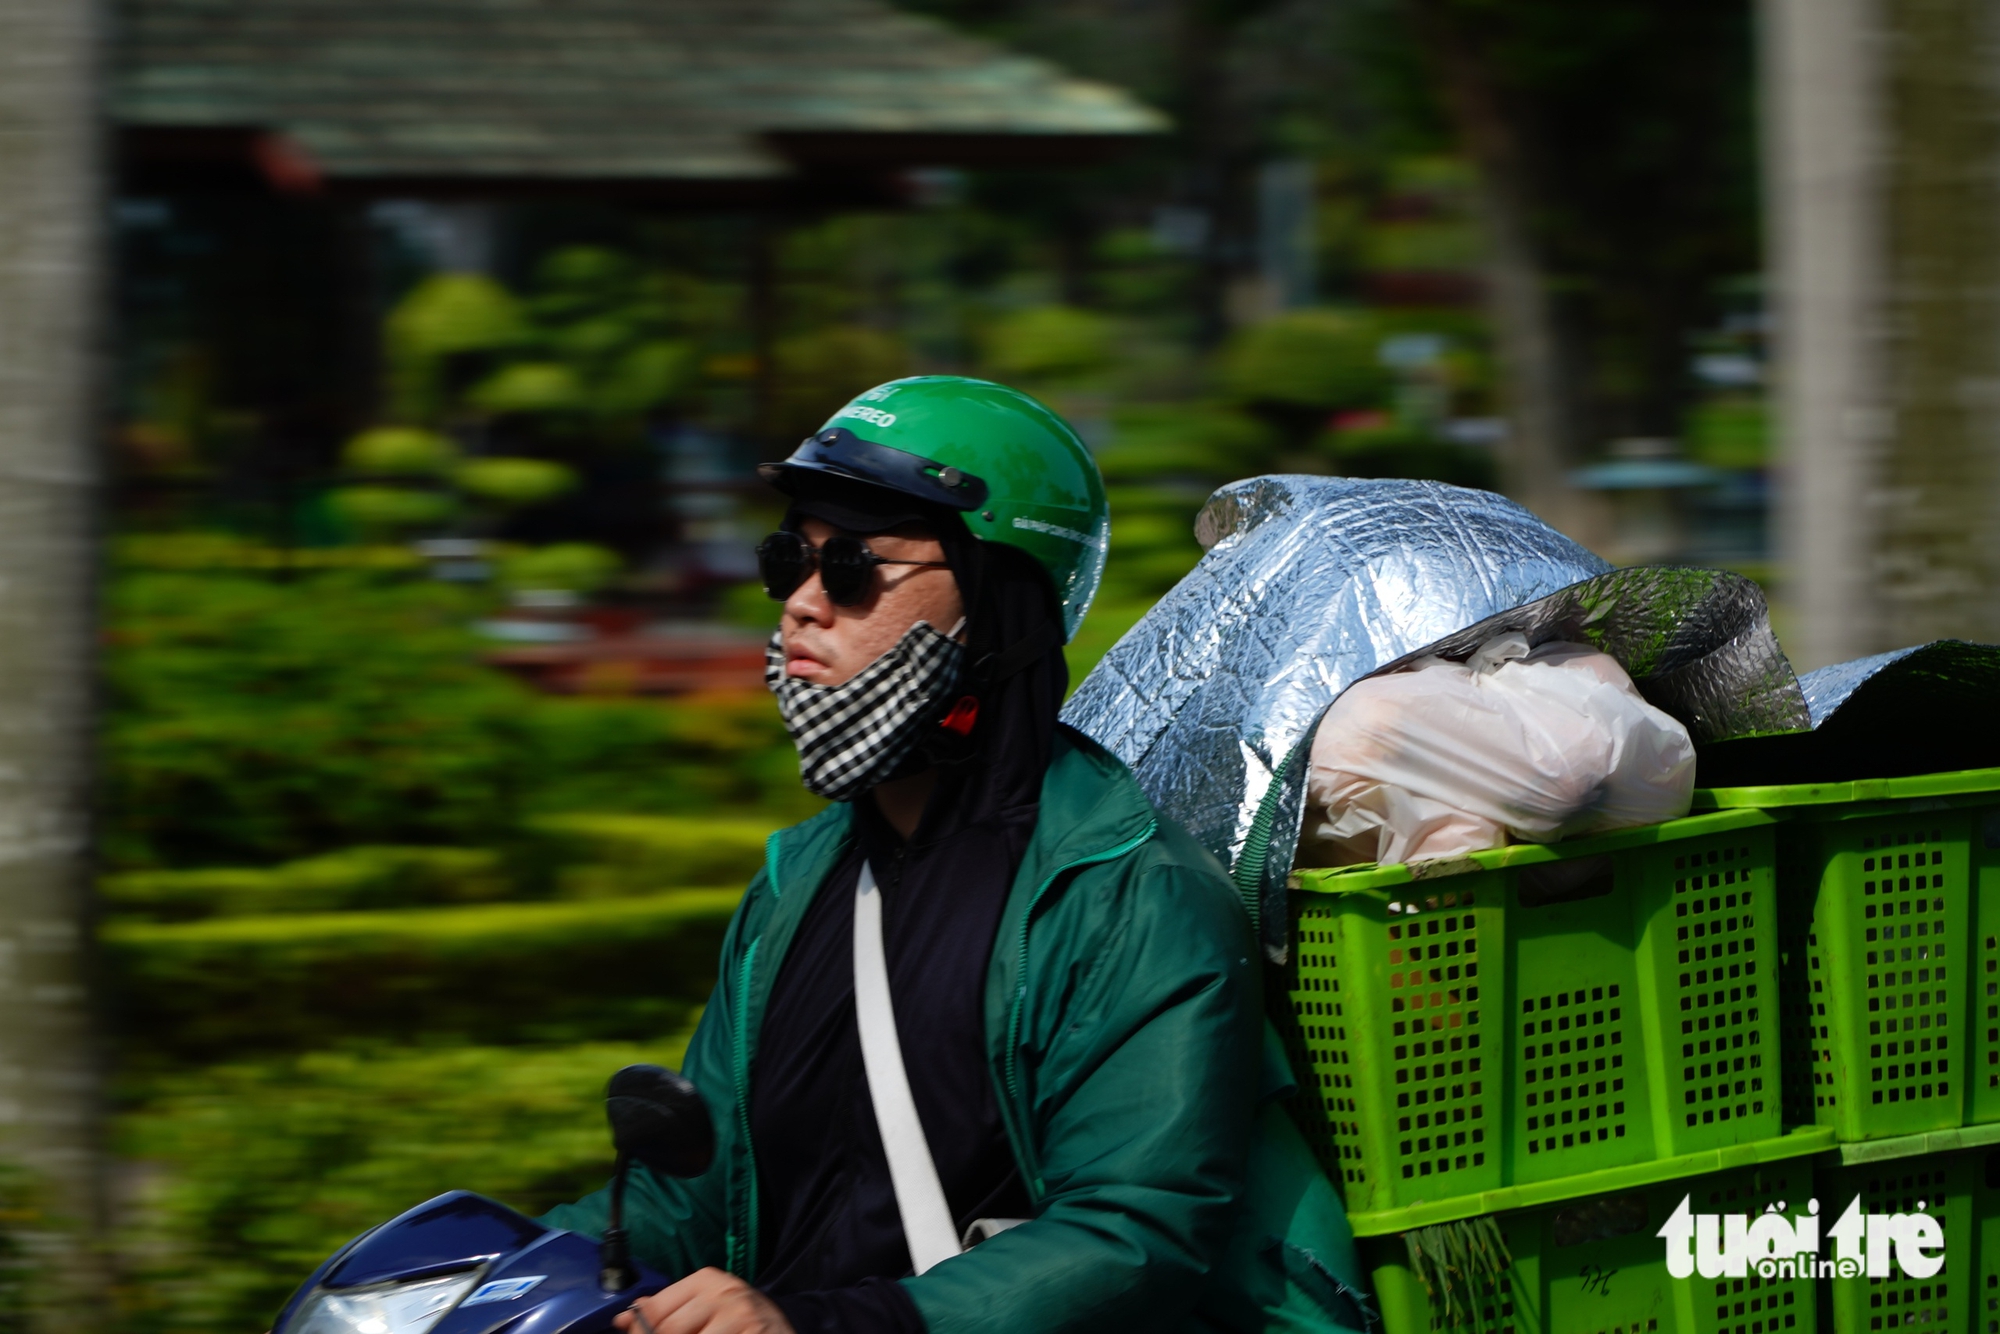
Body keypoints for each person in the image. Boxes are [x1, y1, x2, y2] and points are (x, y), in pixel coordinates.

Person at [543, 377, 1367, 1334]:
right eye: (787, 561)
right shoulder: (798, 882)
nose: (802, 607)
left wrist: (824, 1326)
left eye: (850, 567)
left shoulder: (1132, 899)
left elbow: (1131, 1231)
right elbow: (691, 1198)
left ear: (1000, 600)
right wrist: (502, 1269)